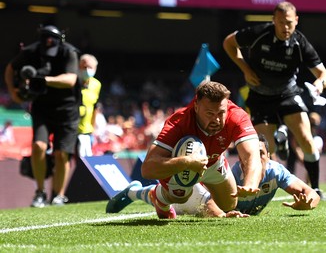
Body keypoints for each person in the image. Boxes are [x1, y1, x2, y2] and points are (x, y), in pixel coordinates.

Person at [223, 1, 326, 200]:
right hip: (260, 97)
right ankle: (280, 141)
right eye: (281, 22)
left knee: (307, 139)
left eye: (289, 22)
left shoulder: (300, 42)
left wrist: (319, 83)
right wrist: (245, 69)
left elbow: (325, 74)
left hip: (288, 94)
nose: (285, 27)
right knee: (267, 148)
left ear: (296, 21)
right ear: (273, 21)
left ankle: (315, 188)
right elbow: (228, 42)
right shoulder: (259, 33)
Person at [107, 81, 262, 219]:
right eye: (209, 113)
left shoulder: (237, 115)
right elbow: (147, 169)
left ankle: (145, 192)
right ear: (196, 106)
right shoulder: (179, 122)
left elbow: (251, 154)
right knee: (180, 198)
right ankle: (152, 195)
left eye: (221, 113)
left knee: (229, 204)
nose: (216, 119)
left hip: (213, 161)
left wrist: (250, 183)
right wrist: (186, 162)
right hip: (181, 166)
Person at [106, 134, 320, 217]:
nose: (253, 160)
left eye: (260, 154)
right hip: (199, 197)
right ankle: (133, 192)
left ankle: (133, 191)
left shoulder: (276, 171)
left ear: (269, 156)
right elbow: (208, 202)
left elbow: (310, 192)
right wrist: (223, 215)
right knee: (165, 197)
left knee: (160, 196)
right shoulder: (232, 175)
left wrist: (308, 203)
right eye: (249, 155)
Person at [4, 25, 80, 207]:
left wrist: (44, 80)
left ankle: (59, 195)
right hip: (42, 107)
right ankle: (40, 192)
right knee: (38, 146)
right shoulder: (32, 51)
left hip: (67, 110)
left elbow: (71, 79)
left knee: (62, 154)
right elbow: (10, 68)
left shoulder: (69, 52)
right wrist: (13, 92)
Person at [77, 54, 102, 157]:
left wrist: (93, 127)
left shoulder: (97, 85)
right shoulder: (73, 82)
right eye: (84, 67)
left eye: (90, 67)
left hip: (87, 131)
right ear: (79, 67)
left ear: (95, 69)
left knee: (85, 161)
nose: (87, 70)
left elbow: (95, 107)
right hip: (72, 130)